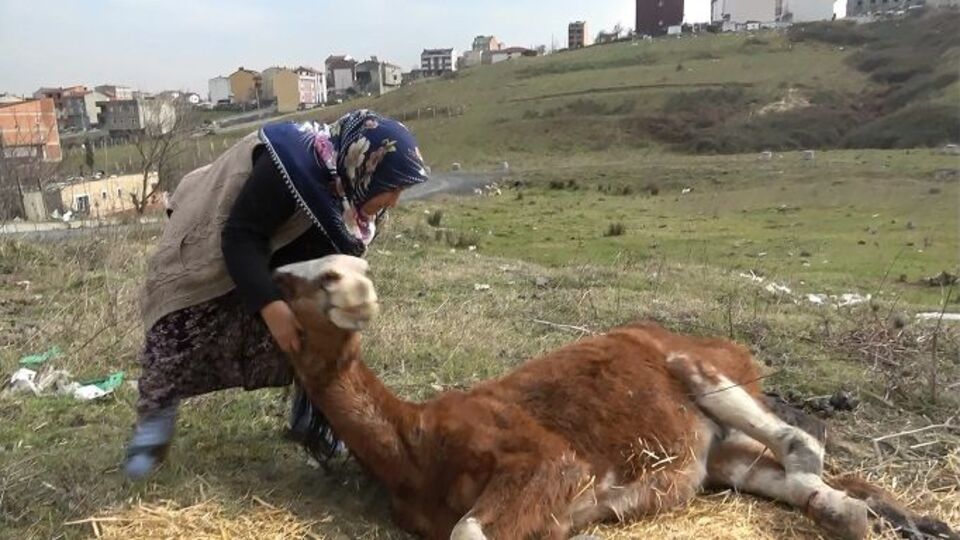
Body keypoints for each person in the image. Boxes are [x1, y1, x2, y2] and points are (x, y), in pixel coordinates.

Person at [124, 109, 429, 479]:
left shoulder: (355, 195)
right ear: (362, 163)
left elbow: (327, 265)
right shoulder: (290, 164)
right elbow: (240, 237)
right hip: (206, 254)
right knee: (177, 337)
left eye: (400, 189)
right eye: (391, 187)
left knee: (324, 329)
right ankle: (153, 430)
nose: (394, 200)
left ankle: (314, 422)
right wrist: (271, 307)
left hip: (268, 262)